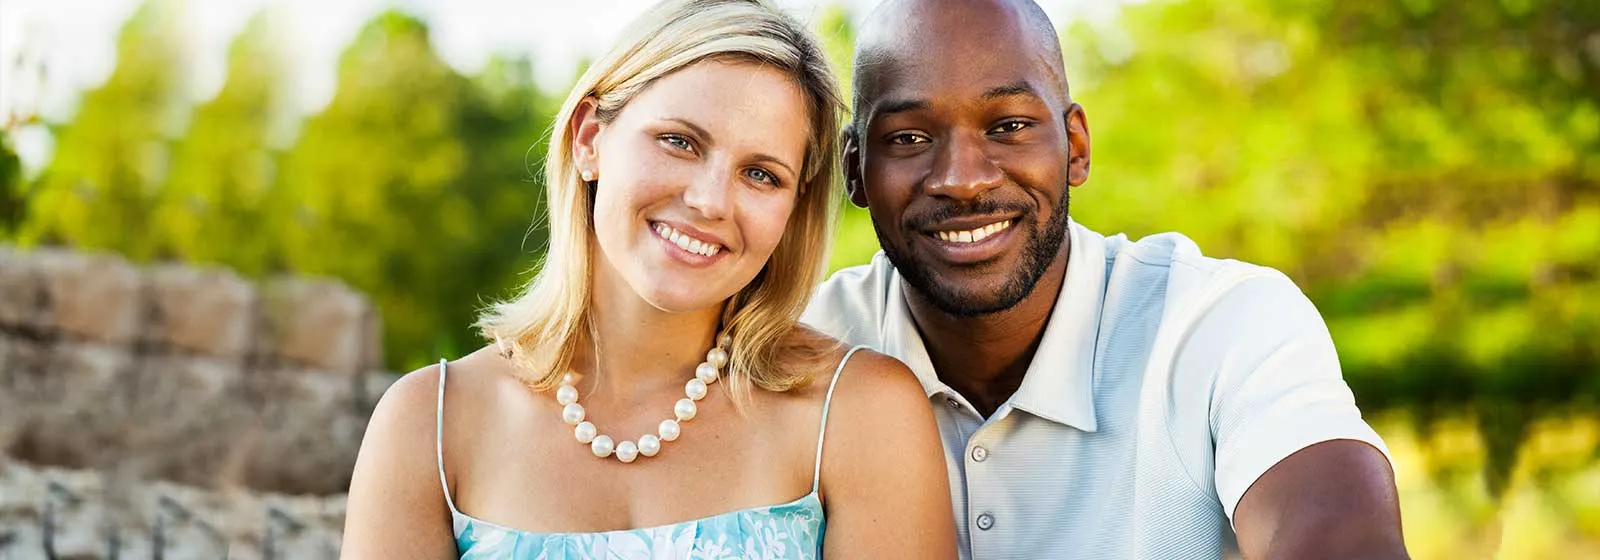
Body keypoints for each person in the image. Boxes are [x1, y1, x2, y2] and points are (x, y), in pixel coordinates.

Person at [342, 1, 955, 557]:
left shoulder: (857, 415)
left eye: (761, 174)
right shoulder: (430, 424)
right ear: (590, 138)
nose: (711, 200)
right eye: (678, 141)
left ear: (793, 208)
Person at [801, 0, 1408, 558]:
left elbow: (1341, 537)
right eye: (908, 137)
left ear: (1076, 146)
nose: (962, 179)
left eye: (1008, 126)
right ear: (855, 170)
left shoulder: (1224, 324)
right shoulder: (793, 353)